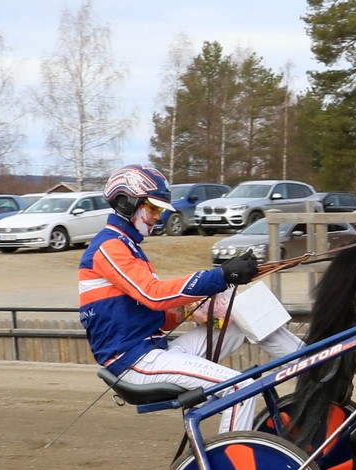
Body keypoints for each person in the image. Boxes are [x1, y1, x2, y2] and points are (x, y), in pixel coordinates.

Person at [78, 163, 304, 433]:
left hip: (155, 352)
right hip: (136, 362)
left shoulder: (127, 247)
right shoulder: (109, 247)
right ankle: (231, 457)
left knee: (239, 315)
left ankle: (310, 364)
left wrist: (197, 311)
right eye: (153, 208)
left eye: (159, 211)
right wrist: (221, 276)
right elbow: (153, 294)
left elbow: (151, 313)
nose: (158, 217)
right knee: (240, 388)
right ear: (127, 203)